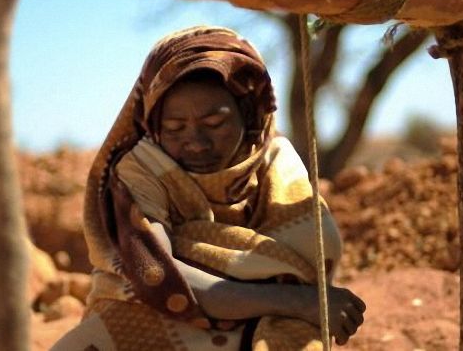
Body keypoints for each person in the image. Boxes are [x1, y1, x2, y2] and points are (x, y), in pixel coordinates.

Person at [51, 26, 365, 351]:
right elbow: (157, 274)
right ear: (154, 126)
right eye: (175, 128)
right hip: (152, 309)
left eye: (214, 125)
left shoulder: (276, 163)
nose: (196, 143)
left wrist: (301, 303)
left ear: (249, 113)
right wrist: (295, 300)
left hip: (267, 320)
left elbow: (307, 264)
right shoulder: (140, 169)